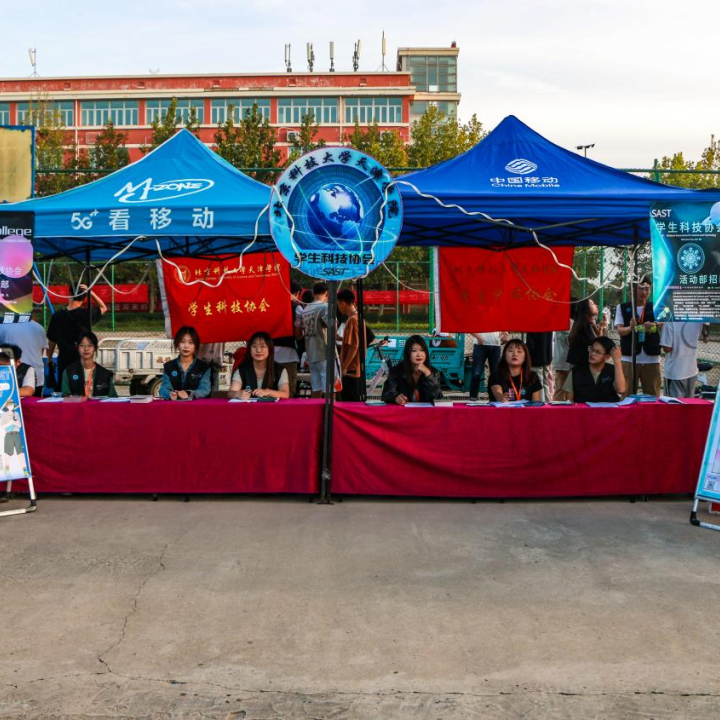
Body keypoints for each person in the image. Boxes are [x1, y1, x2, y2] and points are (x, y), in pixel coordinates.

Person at [46, 283, 107, 386]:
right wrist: (90, 292)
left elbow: (52, 340)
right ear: (85, 296)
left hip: (64, 358)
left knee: (65, 386)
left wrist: (49, 358)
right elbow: (103, 307)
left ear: (70, 293)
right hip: (83, 357)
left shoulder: (58, 316)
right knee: (81, 386)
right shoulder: (86, 314)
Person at [614, 276, 662, 397]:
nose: (644, 292)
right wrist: (630, 328)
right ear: (634, 289)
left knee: (653, 395)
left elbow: (662, 322)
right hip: (629, 358)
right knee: (627, 395)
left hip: (651, 358)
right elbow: (620, 330)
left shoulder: (656, 306)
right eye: (641, 288)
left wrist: (654, 325)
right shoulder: (622, 307)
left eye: (647, 288)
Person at [381, 335, 443, 405]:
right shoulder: (396, 371)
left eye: (422, 350)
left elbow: (438, 399)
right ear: (408, 353)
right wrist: (395, 397)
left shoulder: (434, 372)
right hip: (404, 411)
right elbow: (386, 394)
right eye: (414, 351)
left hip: (426, 411)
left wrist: (428, 374)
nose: (419, 354)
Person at [228, 331, 289, 399]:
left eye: (263, 346)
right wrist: (238, 393)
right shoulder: (241, 370)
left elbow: (285, 394)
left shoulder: (280, 370)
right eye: (254, 346)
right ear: (249, 349)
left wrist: (268, 392)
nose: (258, 350)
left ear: (270, 349)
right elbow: (231, 392)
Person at [0, 309, 48, 397]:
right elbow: (42, 352)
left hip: (8, 372)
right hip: (35, 374)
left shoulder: (3, 325)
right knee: (33, 403)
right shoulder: (39, 327)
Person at [563, 337, 626, 403]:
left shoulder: (613, 370)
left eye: (598, 352)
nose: (593, 354)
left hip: (608, 409)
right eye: (592, 349)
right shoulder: (576, 372)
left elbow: (621, 390)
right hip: (583, 409)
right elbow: (569, 399)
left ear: (607, 357)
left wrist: (617, 361)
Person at [158, 326, 210, 401]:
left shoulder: (204, 367)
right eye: (182, 341)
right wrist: (170, 394)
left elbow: (205, 389)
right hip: (174, 406)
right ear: (177, 344)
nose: (186, 346)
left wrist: (189, 393)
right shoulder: (169, 366)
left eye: (191, 342)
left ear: (196, 345)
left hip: (196, 406)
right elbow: (163, 388)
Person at [61, 332, 117, 398]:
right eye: (82, 345)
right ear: (77, 348)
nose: (86, 349)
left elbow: (113, 398)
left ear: (95, 348)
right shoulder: (68, 372)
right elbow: (65, 395)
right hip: (77, 405)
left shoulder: (105, 374)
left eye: (90, 345)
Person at [337, 288, 369, 402]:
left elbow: (354, 346)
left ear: (343, 303)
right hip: (356, 368)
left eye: (338, 304)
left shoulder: (352, 320)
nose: (338, 307)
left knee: (350, 402)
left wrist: (345, 366)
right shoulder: (358, 318)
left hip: (351, 370)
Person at [300, 282, 331, 398]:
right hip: (325, 353)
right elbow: (333, 327)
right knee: (330, 388)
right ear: (327, 293)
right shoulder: (324, 307)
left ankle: (314, 409)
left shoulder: (306, 309)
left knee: (316, 388)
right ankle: (331, 410)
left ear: (313, 293)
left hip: (311, 354)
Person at [660, 321, 705, 398]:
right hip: (691, 371)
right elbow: (703, 334)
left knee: (674, 404)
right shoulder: (697, 320)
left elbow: (667, 348)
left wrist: (661, 332)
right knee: (688, 403)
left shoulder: (670, 322)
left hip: (675, 372)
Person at [274, 281, 302, 398]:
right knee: (288, 389)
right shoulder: (297, 308)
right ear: (297, 293)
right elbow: (298, 335)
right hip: (288, 354)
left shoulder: (270, 304)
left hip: (268, 353)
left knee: (270, 388)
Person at [566, 299, 607, 366]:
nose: (596, 305)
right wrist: (602, 328)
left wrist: (601, 327)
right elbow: (598, 344)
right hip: (581, 363)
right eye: (592, 304)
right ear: (586, 309)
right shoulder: (584, 325)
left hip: (581, 362)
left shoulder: (587, 323)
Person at [552, 301, 577, 401]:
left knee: (559, 390)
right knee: (570, 391)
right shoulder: (573, 323)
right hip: (569, 362)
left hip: (559, 361)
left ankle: (557, 406)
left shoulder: (558, 321)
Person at [468, 331, 504, 400]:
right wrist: (478, 337)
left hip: (495, 345)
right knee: (476, 373)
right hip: (480, 345)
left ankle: (494, 398)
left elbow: (503, 325)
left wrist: (505, 333)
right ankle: (473, 398)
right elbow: (468, 327)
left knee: (495, 374)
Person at [525, 331, 554, 401]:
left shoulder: (533, 326)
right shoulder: (549, 325)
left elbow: (530, 344)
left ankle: (541, 403)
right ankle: (547, 402)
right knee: (546, 383)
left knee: (538, 384)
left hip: (535, 358)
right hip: (547, 357)